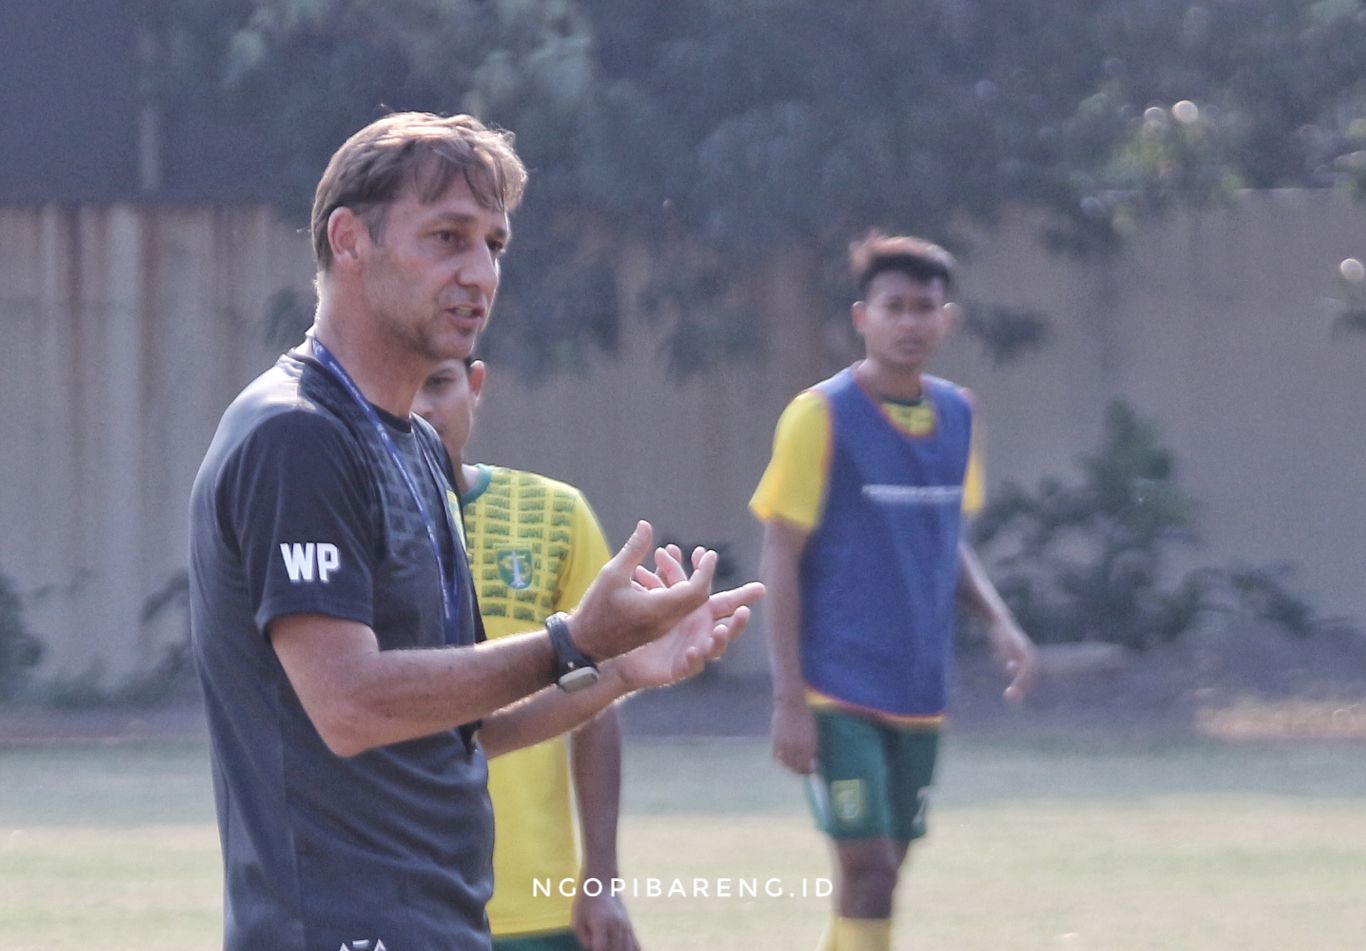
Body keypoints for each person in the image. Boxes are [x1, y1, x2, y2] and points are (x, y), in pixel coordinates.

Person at [188, 112, 763, 951]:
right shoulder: (295, 435)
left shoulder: (417, 447)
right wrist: (571, 642)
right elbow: (348, 705)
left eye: (494, 243)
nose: (480, 273)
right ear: (349, 238)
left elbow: (465, 728)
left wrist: (615, 670)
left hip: (442, 925)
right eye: (448, 237)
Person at [750, 233, 1037, 951]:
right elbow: (781, 554)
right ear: (862, 317)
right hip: (836, 687)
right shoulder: (821, 415)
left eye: (925, 308)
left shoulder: (959, 414)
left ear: (948, 320)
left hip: (918, 689)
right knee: (870, 868)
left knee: (883, 873)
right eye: (894, 306)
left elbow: (942, 538)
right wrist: (789, 698)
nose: (909, 321)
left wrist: (1000, 619)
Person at [413, 356, 639, 951]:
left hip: (539, 902)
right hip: (402, 900)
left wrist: (601, 876)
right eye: (398, 385)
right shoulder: (345, 531)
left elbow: (597, 702)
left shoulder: (555, 516)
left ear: (475, 385)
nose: (420, 406)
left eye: (437, 382)